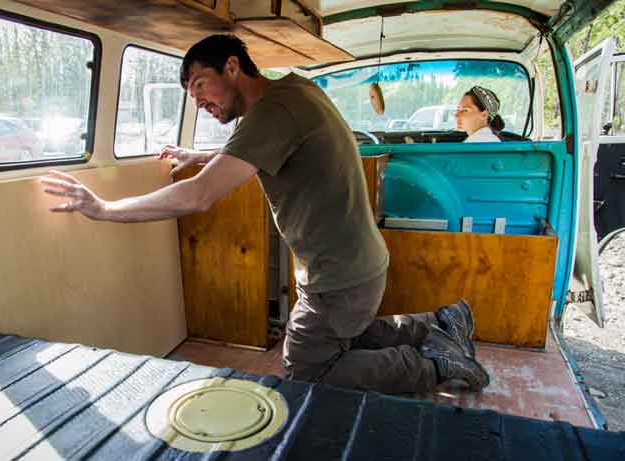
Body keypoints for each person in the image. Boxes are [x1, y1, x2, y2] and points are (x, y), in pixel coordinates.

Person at [41, 34, 489, 394]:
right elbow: (258, 148)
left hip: (339, 273)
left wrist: (103, 208)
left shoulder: (270, 114)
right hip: (356, 263)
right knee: (341, 336)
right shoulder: (291, 92)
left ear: (233, 67)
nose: (197, 101)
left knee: (308, 371)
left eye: (199, 84)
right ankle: (440, 323)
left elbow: (197, 197)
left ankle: (432, 364)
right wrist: (200, 153)